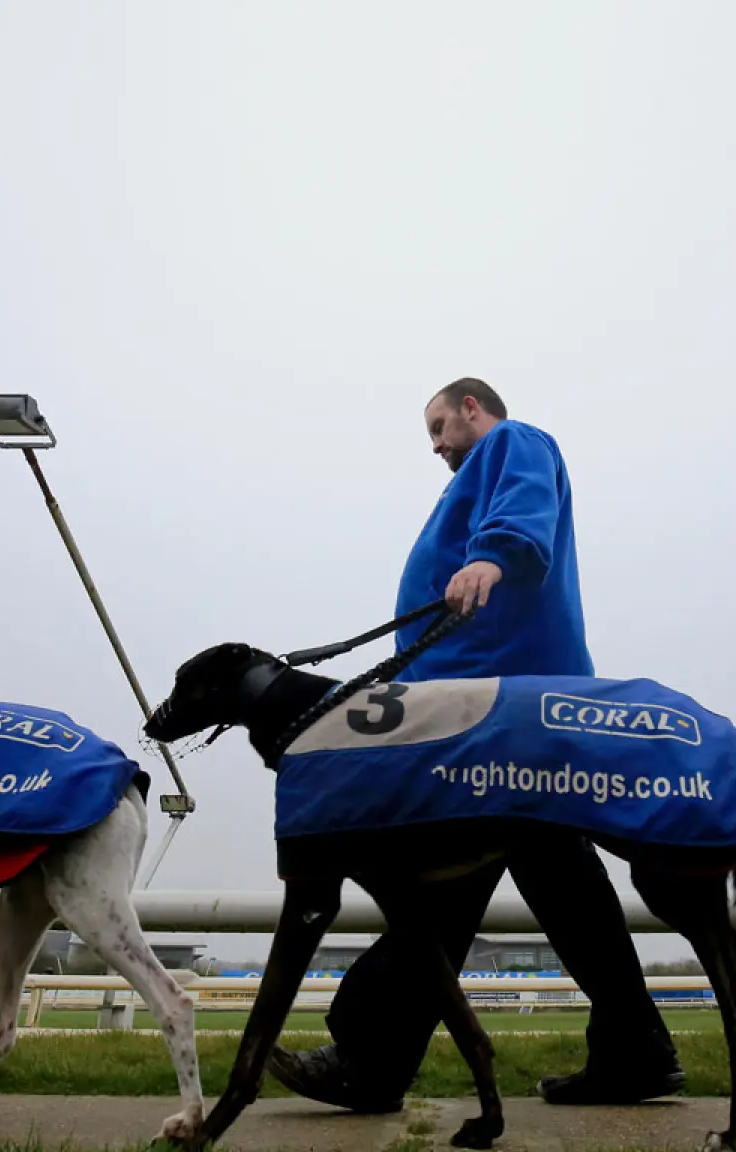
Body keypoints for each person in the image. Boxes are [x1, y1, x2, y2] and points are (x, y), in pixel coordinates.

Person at [266, 378, 685, 1112]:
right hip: (491, 708)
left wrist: (494, 555)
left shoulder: (511, 442)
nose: (435, 445)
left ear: (472, 409)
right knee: (555, 878)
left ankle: (369, 1059)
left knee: (439, 878)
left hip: (492, 713)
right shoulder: (475, 475)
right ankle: (635, 1052)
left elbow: (525, 503)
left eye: (439, 426)